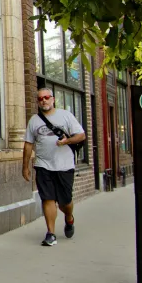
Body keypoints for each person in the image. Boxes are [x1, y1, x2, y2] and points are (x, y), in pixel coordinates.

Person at [23, 88, 86, 246]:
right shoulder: (34, 121)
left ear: (52, 99)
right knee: (48, 198)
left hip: (64, 166)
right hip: (43, 165)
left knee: (65, 202)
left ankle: (69, 218)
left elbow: (81, 135)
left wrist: (67, 141)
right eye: (40, 99)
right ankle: (50, 233)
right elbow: (28, 144)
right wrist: (25, 166)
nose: (43, 100)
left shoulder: (65, 115)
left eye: (46, 97)